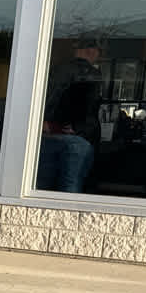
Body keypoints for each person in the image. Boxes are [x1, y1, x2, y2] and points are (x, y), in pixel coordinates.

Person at [38, 37, 102, 192]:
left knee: (42, 187)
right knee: (70, 188)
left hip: (48, 133)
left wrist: (44, 122)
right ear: (91, 51)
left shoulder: (56, 69)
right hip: (75, 136)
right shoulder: (90, 75)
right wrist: (80, 128)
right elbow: (87, 107)